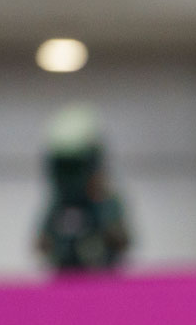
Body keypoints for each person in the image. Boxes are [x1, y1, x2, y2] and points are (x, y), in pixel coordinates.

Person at [35, 104, 131, 271]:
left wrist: (101, 205)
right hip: (65, 281)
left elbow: (122, 241)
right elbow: (41, 244)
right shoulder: (59, 202)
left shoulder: (106, 201)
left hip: (102, 281)